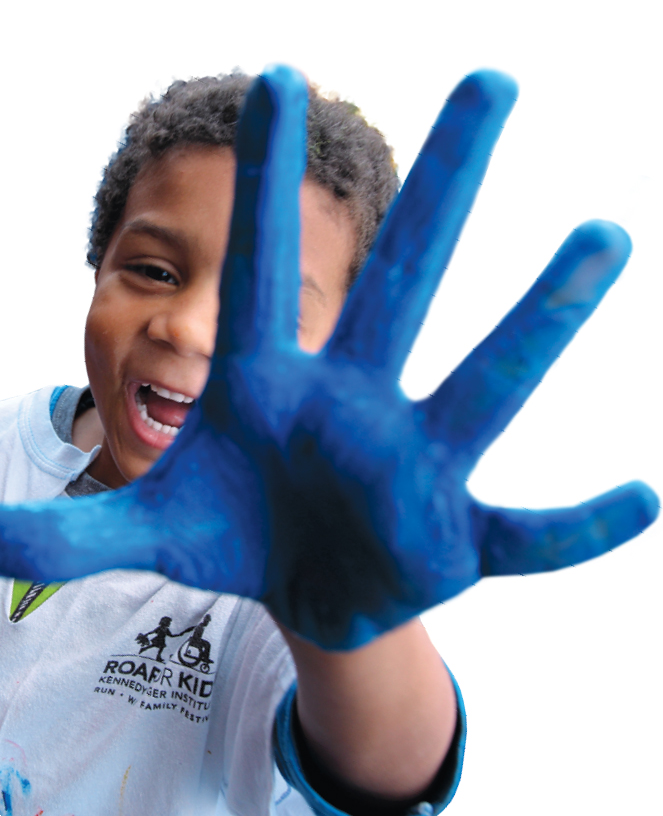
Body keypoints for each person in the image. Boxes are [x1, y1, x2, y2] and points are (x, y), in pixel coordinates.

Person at [0, 65, 656, 816]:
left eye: (269, 314)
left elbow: (382, 767)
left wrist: (348, 621)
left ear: (346, 352)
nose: (184, 326)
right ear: (98, 262)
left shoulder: (273, 570)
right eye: (152, 270)